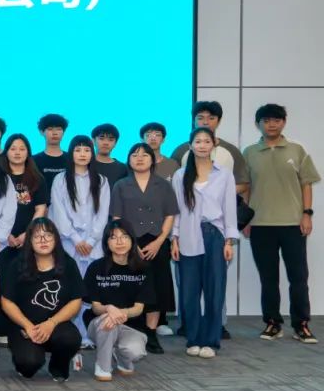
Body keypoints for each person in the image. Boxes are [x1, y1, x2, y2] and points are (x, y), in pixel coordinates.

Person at [244, 103, 321, 344]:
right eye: (266, 120)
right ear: (258, 124)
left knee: (298, 277)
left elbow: (306, 184)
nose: (272, 124)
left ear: (284, 122)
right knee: (268, 279)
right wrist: (245, 220)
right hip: (260, 224)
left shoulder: (297, 150)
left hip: (292, 224)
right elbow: (246, 188)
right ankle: (272, 323)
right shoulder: (249, 152)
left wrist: (307, 214)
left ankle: (301, 325)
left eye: (276, 120)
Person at [172, 127, 238, 358]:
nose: (202, 145)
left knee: (214, 290)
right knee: (189, 291)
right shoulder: (180, 175)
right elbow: (177, 210)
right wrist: (174, 238)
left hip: (214, 235)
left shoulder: (224, 175)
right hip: (188, 234)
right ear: (190, 145)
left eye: (206, 141)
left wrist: (229, 241)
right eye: (197, 141)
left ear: (214, 144)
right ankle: (193, 339)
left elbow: (230, 209)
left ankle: (211, 341)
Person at [109, 142, 177, 354]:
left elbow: (170, 215)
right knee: (131, 287)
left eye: (144, 155)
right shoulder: (121, 185)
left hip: (157, 242)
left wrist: (160, 241)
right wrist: (129, 243)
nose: (139, 158)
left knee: (156, 288)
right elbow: (116, 217)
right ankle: (129, 330)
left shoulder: (163, 185)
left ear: (152, 159)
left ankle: (151, 333)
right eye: (135, 155)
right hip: (129, 243)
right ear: (129, 160)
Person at [0, 218, 84, 382]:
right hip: (24, 327)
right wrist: (28, 326)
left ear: (56, 239)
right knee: (29, 364)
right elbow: (7, 302)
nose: (43, 240)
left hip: (56, 325)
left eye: (48, 235)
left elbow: (76, 301)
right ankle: (27, 359)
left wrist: (51, 323)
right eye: (37, 236)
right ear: (29, 241)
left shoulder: (68, 264)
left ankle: (58, 366)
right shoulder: (17, 265)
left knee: (70, 339)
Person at [48, 135, 110, 345]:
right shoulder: (60, 179)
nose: (82, 154)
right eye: (78, 150)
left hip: (93, 245)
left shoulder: (101, 180)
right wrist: (75, 239)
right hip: (69, 243)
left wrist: (91, 240)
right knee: (70, 288)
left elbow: (103, 214)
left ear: (92, 153)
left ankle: (89, 334)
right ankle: (71, 334)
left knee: (90, 289)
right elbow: (58, 213)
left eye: (86, 150)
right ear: (71, 153)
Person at [83, 219, 153, 381]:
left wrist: (118, 313)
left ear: (132, 240)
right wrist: (109, 309)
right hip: (100, 323)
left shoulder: (143, 269)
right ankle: (103, 366)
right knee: (108, 322)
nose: (119, 242)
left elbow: (138, 308)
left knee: (135, 351)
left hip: (131, 326)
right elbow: (96, 307)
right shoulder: (96, 268)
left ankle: (122, 359)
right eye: (113, 237)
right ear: (106, 243)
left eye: (124, 236)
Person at [171, 101, 251, 198]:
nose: (205, 122)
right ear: (193, 121)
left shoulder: (231, 150)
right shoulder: (181, 151)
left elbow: (243, 184)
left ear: (218, 121)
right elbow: (172, 183)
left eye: (211, 118)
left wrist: (216, 193)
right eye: (200, 118)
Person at [0, 133, 50, 262]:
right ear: (6, 152)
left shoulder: (37, 178)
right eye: (13, 149)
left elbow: (40, 209)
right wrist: (4, 234)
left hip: (29, 237)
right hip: (1, 239)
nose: (17, 153)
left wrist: (28, 233)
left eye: (22, 149)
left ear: (28, 152)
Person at [33, 113, 70, 190]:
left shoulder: (71, 158)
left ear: (63, 132)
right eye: (50, 129)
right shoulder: (33, 160)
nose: (55, 133)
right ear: (41, 132)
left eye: (59, 129)